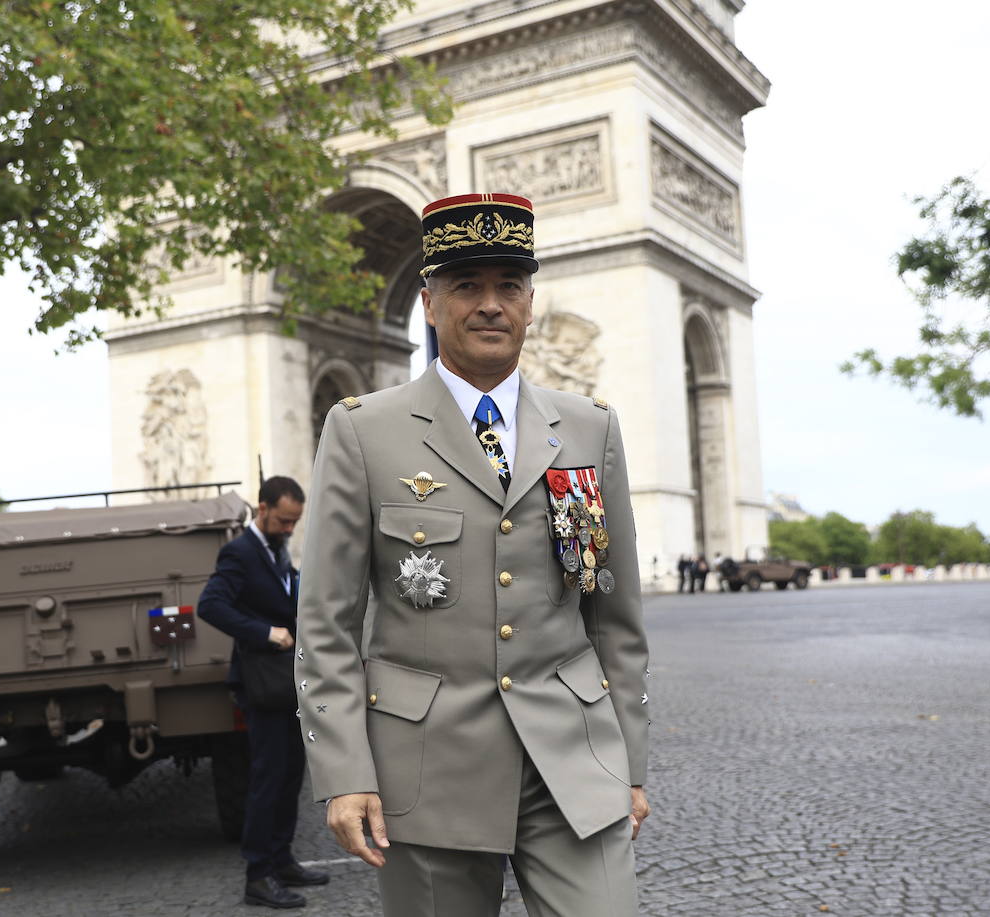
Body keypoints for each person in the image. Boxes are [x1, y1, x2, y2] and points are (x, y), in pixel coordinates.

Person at [296, 193, 650, 916]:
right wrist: (343, 770)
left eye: (508, 286)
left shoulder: (590, 430)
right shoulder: (363, 432)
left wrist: (630, 763)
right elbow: (326, 624)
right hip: (427, 767)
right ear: (429, 303)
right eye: (467, 286)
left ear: (530, 301)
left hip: (573, 760)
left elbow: (616, 619)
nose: (490, 304)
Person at [197, 476, 329, 909]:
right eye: (285, 520)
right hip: (262, 682)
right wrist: (265, 632)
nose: (290, 528)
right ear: (263, 507)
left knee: (290, 775)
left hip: (286, 681)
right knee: (267, 780)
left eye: (295, 522)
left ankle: (282, 858)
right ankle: (258, 874)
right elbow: (211, 604)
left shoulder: (275, 549)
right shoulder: (239, 552)